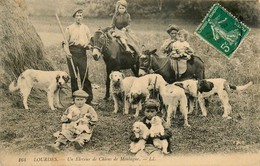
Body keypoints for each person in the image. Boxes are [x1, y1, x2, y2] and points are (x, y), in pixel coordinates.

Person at [63, 8, 93, 104]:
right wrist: (67, 52)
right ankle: (75, 98)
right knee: (73, 76)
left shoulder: (86, 28)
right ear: (74, 17)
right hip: (72, 53)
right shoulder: (69, 28)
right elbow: (65, 43)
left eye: (80, 16)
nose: (79, 18)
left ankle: (88, 98)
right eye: (77, 16)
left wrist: (88, 46)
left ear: (82, 17)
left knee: (84, 76)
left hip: (82, 53)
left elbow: (90, 43)